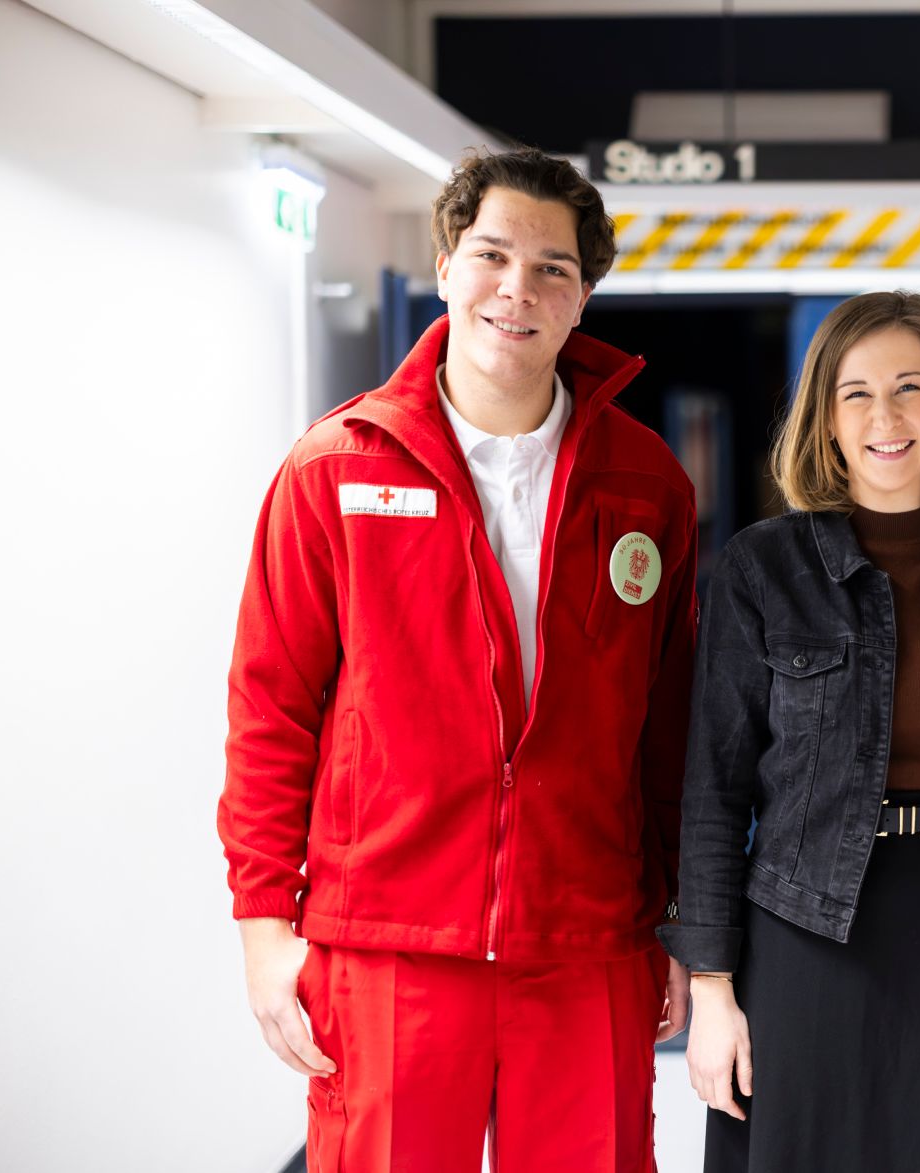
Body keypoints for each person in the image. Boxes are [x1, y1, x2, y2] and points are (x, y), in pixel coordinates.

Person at [216, 147, 698, 1172]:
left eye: (552, 270)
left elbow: (669, 726)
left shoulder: (645, 484)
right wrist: (265, 927)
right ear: (444, 265)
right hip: (389, 938)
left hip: (588, 937)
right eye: (491, 255)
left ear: (581, 300)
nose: (515, 290)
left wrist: (674, 922)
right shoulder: (336, 469)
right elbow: (272, 708)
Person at [659, 291, 920, 1172]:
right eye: (855, 393)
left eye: (908, 386)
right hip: (808, 940)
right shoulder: (761, 568)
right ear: (824, 417)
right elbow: (712, 790)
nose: (885, 416)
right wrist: (712, 988)